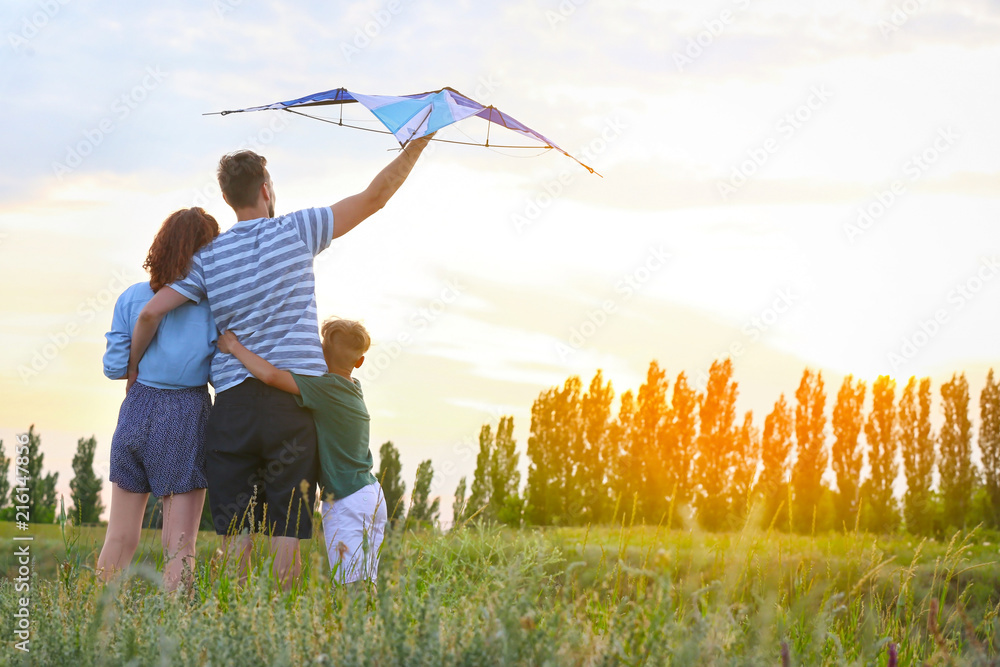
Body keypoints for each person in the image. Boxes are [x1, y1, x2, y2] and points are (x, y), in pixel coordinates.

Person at [128, 135, 433, 589]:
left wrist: (134, 373)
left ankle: (233, 634)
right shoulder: (298, 228)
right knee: (286, 530)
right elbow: (375, 197)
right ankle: (278, 636)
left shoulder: (208, 259)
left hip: (232, 409)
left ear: (228, 198)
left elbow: (151, 312)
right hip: (290, 410)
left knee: (236, 533)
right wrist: (419, 142)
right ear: (266, 189)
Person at [98, 207, 220, 593]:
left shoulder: (132, 296)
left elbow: (115, 367)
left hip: (135, 410)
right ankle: (173, 640)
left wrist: (137, 361)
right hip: (185, 413)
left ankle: (95, 622)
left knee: (119, 538)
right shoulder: (212, 304)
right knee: (179, 546)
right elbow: (220, 372)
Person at [217, 318, 385, 586]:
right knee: (363, 577)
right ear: (360, 362)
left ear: (319, 353)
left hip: (347, 497)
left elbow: (271, 376)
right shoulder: (352, 387)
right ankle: (369, 625)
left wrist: (234, 346)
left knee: (353, 584)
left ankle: (360, 627)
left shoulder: (326, 389)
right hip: (369, 494)